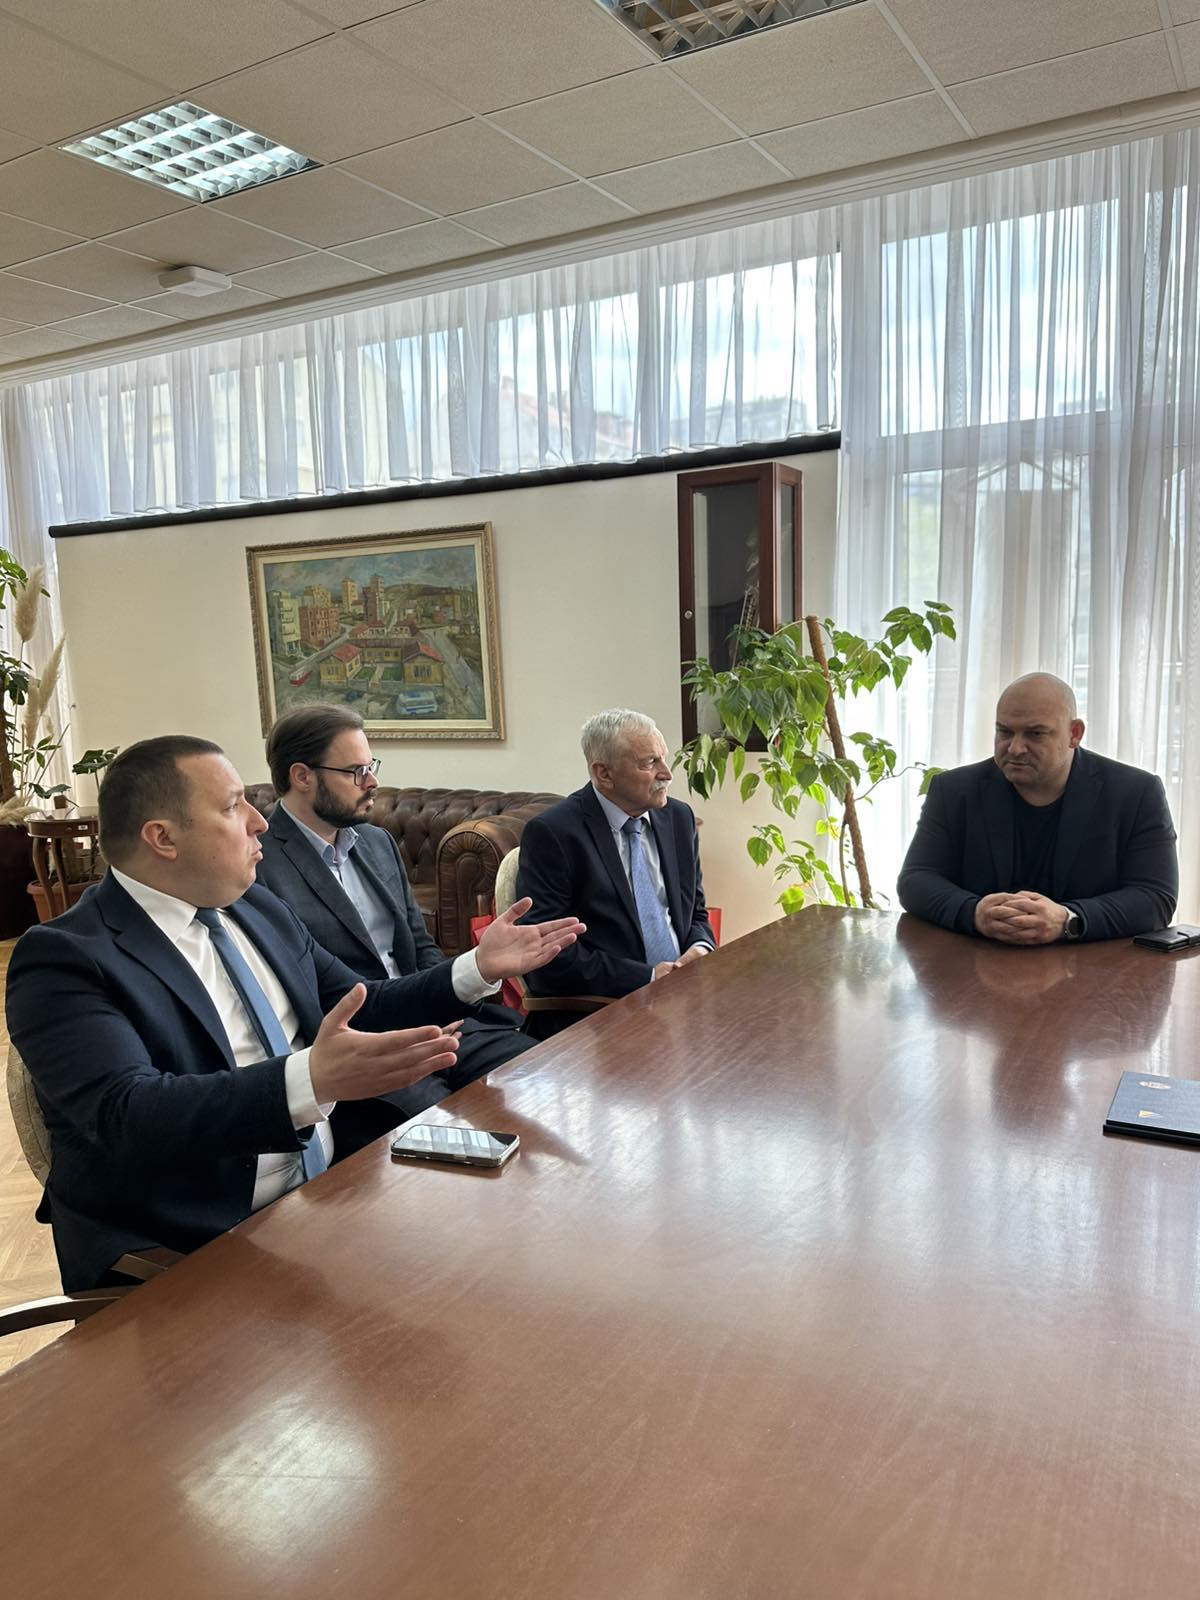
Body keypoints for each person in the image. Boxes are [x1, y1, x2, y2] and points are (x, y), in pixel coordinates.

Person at [6, 735, 581, 1291]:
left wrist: (475, 967)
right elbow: (127, 1113)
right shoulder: (66, 958)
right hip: (193, 1235)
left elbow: (362, 1003)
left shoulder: (254, 906)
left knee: (523, 1256)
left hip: (335, 1189)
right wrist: (309, 1080)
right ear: (163, 838)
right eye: (233, 806)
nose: (259, 822)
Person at [256, 705, 533, 1117]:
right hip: (368, 1048)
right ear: (302, 776)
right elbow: (312, 993)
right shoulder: (260, 866)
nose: (373, 782)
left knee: (540, 1074)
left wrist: (444, 1005)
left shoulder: (376, 842)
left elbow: (420, 946)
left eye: (371, 767)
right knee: (446, 1130)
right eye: (356, 772)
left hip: (438, 1023)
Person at [896, 673, 1178, 943]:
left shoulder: (1137, 793)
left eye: (1035, 734)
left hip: (1095, 965)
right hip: (978, 960)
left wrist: (1068, 920)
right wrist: (973, 913)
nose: (1015, 748)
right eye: (1004, 732)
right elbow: (915, 880)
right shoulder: (953, 790)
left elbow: (1155, 898)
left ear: (1074, 734)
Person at [515, 709, 714, 1035]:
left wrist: (700, 950)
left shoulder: (679, 818)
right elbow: (547, 956)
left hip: (683, 1001)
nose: (667, 774)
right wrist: (648, 977)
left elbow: (696, 913)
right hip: (602, 1017)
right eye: (649, 763)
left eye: (663, 759)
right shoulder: (554, 834)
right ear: (604, 773)